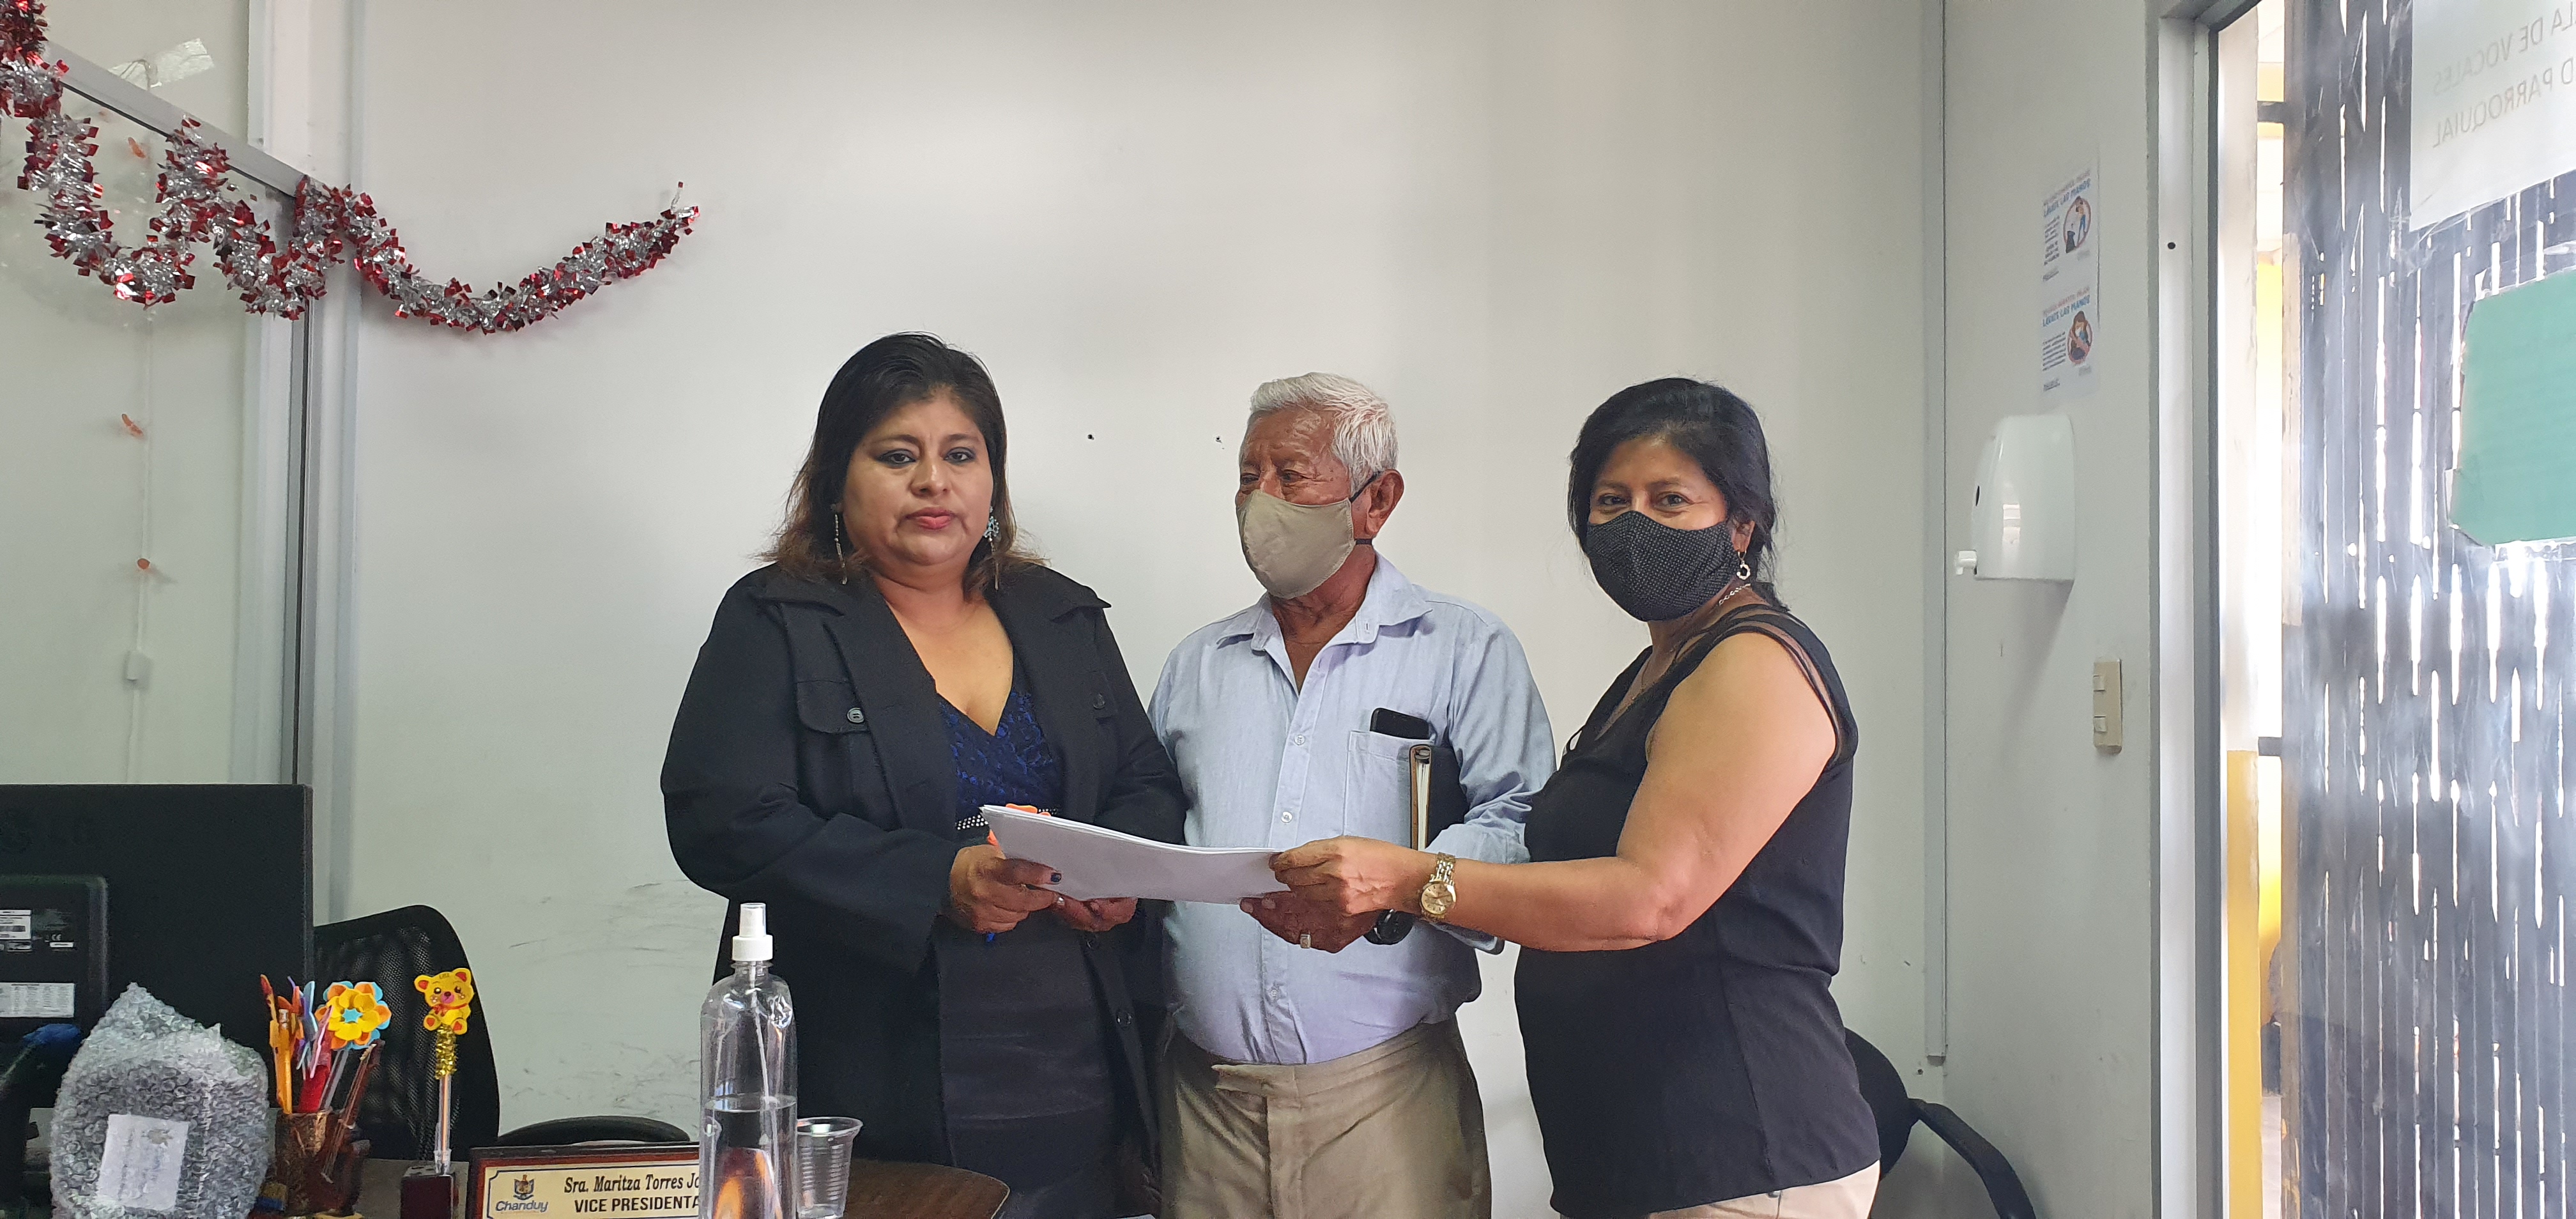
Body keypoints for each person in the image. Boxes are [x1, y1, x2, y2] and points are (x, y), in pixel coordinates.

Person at [1264, 378, 1881, 1219]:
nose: (1634, 526)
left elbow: (1649, 899)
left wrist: (1409, 879)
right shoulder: (1661, 666)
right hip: (1639, 1154)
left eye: (1670, 500)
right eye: (1610, 502)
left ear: (1741, 523)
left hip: (1738, 1149)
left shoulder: (1753, 664)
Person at [662, 334, 1185, 1219]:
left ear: (994, 481)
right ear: (836, 479)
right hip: (872, 1084)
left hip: (1077, 1072)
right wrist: (935, 879)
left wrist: (1118, 871)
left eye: (961, 456)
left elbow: (1147, 783)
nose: (934, 482)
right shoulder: (777, 619)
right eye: (898, 456)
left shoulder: (1060, 614)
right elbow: (722, 819)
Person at [1147, 372, 1554, 1219]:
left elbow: (1522, 826)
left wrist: (1398, 886)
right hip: (1205, 1106)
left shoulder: (1463, 648)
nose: (1260, 501)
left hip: (1386, 1105)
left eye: (1290, 476)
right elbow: (1152, 832)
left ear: (1377, 500)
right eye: (1248, 477)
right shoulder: (1198, 665)